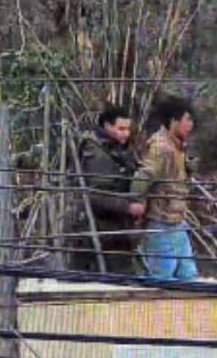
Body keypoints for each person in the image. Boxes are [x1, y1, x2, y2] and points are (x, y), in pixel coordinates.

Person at [131, 96, 199, 281]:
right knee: (162, 276)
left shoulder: (177, 146)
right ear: (174, 121)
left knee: (188, 274)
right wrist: (137, 202)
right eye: (187, 120)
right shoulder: (161, 148)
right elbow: (143, 176)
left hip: (177, 221)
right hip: (160, 221)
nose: (190, 125)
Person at [72, 104, 145, 274]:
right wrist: (128, 207)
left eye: (128, 129)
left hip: (116, 226)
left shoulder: (119, 149)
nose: (126, 134)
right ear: (107, 126)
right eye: (121, 129)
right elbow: (96, 195)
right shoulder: (97, 153)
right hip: (99, 227)